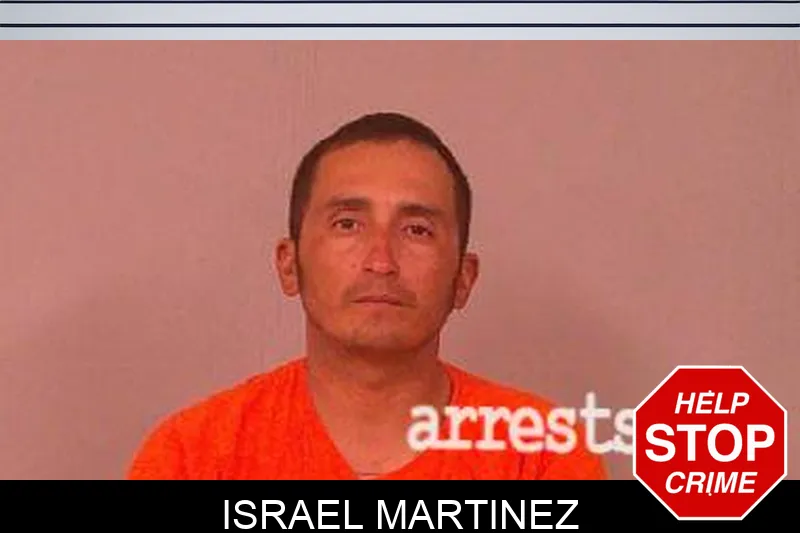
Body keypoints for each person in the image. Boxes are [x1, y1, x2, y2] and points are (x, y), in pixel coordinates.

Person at [127, 112, 608, 480]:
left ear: (463, 278)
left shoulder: (540, 455)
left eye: (417, 230)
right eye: (347, 225)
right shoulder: (192, 456)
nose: (381, 261)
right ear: (289, 264)